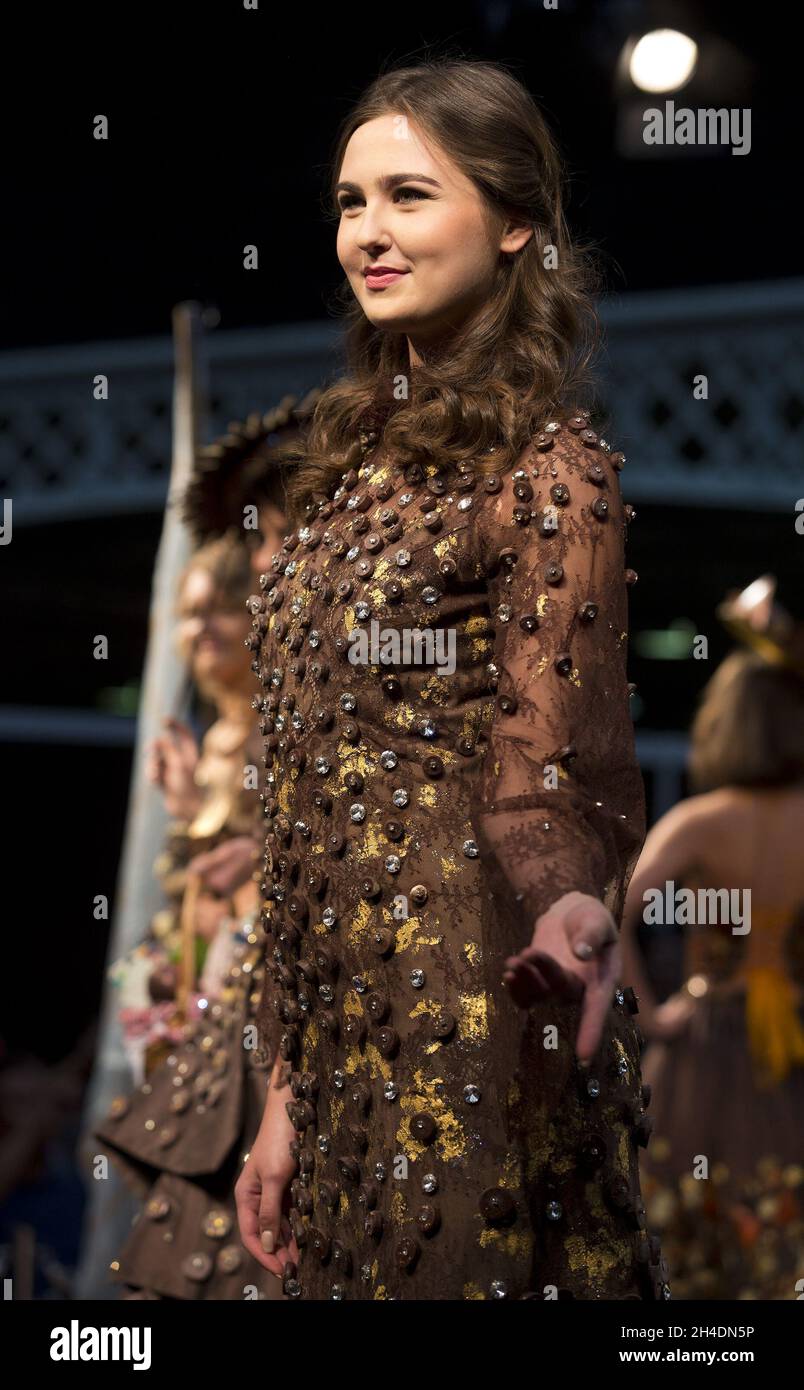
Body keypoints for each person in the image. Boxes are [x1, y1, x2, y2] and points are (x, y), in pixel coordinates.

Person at [234, 57, 667, 1301]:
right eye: (350, 199)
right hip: (336, 1033)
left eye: (409, 195)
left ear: (517, 219)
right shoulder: (335, 479)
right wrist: (285, 1090)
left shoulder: (550, 470)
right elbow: (303, 802)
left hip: (477, 1011)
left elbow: (553, 760)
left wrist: (570, 907)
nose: (367, 231)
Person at [96, 534, 281, 1299]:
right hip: (199, 1011)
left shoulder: (284, 733)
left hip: (264, 1017)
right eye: (188, 612)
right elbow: (198, 893)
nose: (200, 630)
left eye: (220, 609)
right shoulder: (210, 746)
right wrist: (184, 811)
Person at [621, 576, 804, 1299]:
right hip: (792, 1046)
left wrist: (650, 1009)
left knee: (687, 1252)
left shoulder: (701, 821)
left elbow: (611, 917)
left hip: (701, 1050)